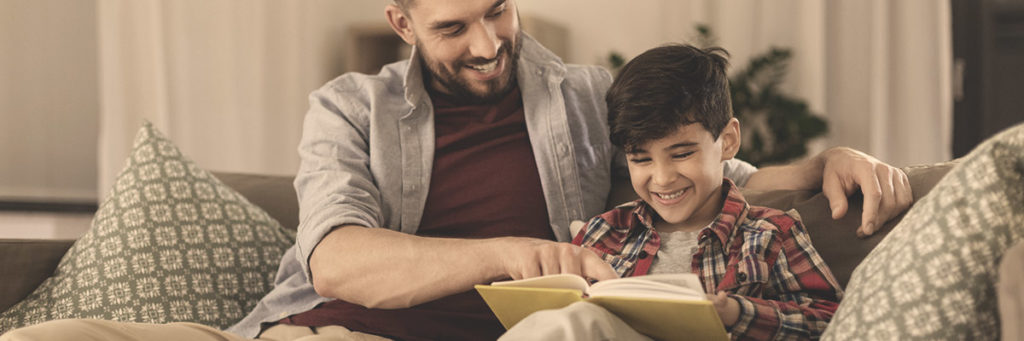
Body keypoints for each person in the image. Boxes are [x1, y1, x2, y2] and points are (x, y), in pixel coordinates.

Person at [0, 0, 910, 340]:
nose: (487, 44)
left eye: (499, 11)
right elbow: (338, 264)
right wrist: (513, 250)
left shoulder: (584, 94)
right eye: (453, 27)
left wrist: (821, 161)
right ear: (401, 22)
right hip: (303, 324)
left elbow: (694, 170)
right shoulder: (348, 107)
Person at [501, 44, 843, 340]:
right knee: (573, 319)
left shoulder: (771, 234)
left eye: (682, 154)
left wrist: (738, 313)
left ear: (727, 142)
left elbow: (835, 321)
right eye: (641, 159)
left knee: (578, 322)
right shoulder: (603, 232)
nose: (662, 179)